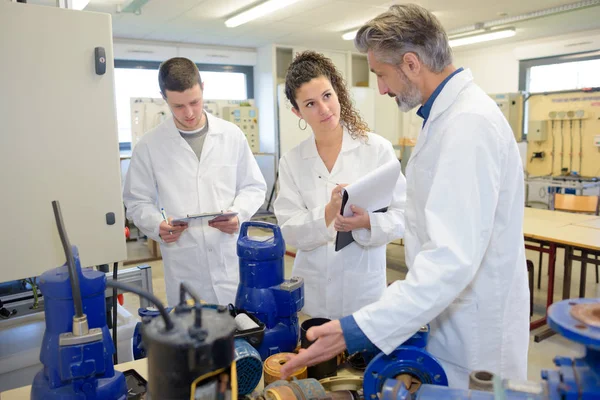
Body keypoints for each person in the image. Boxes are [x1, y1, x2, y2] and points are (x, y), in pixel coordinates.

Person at [281, 4, 529, 388]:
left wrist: (359, 326)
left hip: (475, 334)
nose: (380, 87)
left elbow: (450, 257)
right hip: (445, 311)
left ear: (411, 64)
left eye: (381, 74)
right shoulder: (445, 118)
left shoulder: (468, 126)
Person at [123, 57, 267, 306]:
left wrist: (238, 214)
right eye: (178, 106)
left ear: (203, 87)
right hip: (184, 265)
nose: (188, 113)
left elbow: (253, 186)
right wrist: (157, 225)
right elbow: (136, 201)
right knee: (191, 338)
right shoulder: (149, 145)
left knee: (237, 334)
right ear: (163, 97)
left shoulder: (231, 135)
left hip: (228, 261)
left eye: (194, 102)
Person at [273, 51, 406, 320]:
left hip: (364, 291)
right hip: (314, 296)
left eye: (327, 96)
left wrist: (367, 222)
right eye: (310, 104)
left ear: (337, 92)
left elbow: (404, 214)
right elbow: (288, 231)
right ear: (296, 111)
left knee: (361, 360)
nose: (323, 109)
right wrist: (329, 212)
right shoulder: (292, 162)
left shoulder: (376, 149)